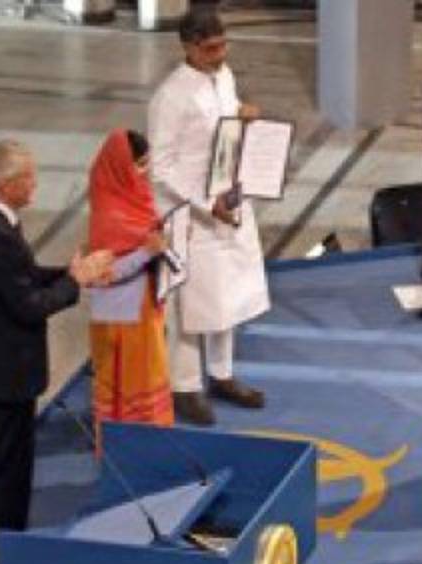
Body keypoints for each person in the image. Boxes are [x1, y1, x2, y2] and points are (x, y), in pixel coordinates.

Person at [0, 139, 112, 564]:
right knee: (7, 472)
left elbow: (20, 278)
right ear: (8, 185)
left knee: (12, 466)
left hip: (2, 366)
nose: (36, 185)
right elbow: (27, 304)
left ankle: (6, 553)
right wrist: (74, 283)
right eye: (29, 178)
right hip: (7, 371)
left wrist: (67, 273)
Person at [148, 8, 270, 426]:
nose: (219, 55)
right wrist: (204, 203)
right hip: (190, 213)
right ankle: (184, 387)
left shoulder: (225, 75)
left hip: (229, 198)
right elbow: (160, 167)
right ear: (188, 47)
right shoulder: (170, 97)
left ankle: (222, 374)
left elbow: (227, 117)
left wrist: (243, 112)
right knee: (189, 303)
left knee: (227, 293)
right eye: (210, 49)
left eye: (223, 46)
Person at [87, 129, 174, 449]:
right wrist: (146, 252)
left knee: (146, 374)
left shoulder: (134, 196)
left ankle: (149, 440)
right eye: (139, 165)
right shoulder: (108, 214)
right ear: (121, 167)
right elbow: (103, 274)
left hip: (143, 309)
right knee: (123, 382)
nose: (145, 172)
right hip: (119, 317)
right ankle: (122, 446)